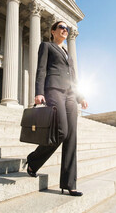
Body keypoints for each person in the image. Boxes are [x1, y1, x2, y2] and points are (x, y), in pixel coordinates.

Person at [25, 21, 88, 197]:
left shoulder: (69, 54)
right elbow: (41, 69)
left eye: (67, 29)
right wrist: (39, 92)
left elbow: (74, 79)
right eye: (61, 27)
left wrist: (80, 96)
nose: (65, 30)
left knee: (71, 136)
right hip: (53, 90)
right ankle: (33, 160)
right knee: (61, 131)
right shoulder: (46, 46)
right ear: (53, 31)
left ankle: (69, 183)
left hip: (69, 95)